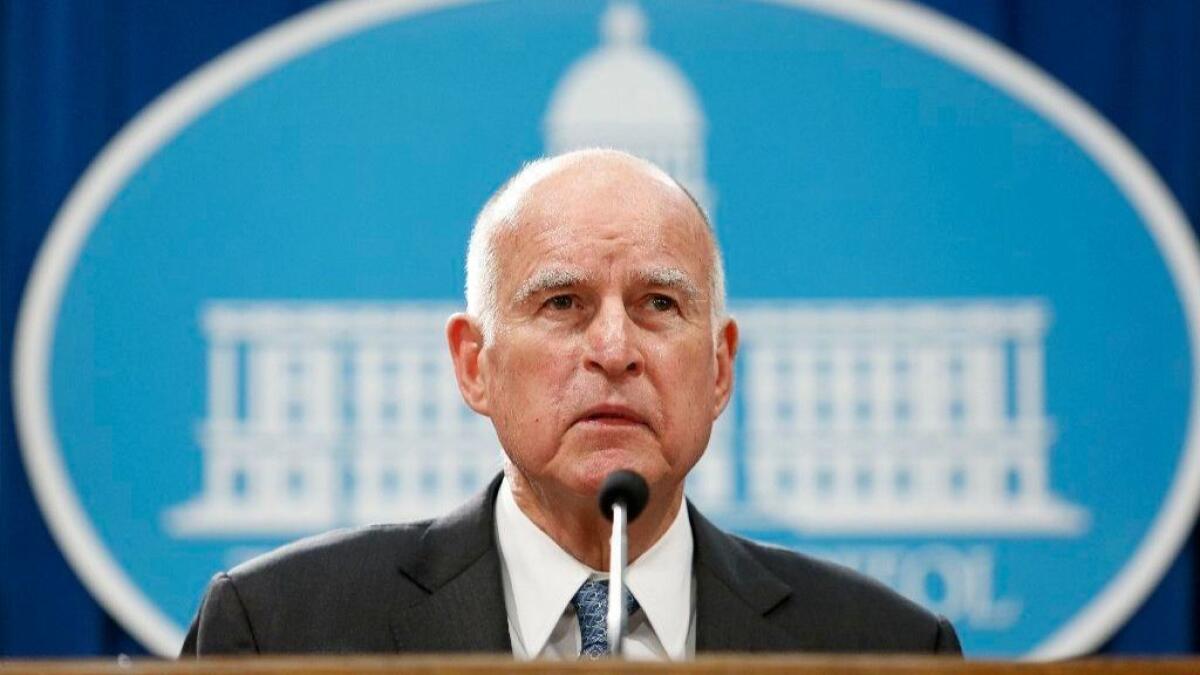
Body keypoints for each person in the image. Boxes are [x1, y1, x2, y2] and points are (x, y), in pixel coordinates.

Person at [181, 149, 962, 659]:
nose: (615, 348)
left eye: (659, 302)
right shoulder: (282, 629)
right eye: (562, 303)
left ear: (720, 368)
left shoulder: (884, 647)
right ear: (474, 363)